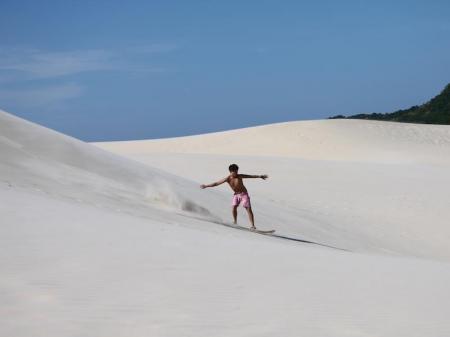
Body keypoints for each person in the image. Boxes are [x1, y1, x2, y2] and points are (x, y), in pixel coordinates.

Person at [200, 164, 268, 229]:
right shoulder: (227, 178)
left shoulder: (240, 176)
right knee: (234, 207)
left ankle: (253, 225)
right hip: (236, 194)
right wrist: (206, 186)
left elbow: (250, 176)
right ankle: (235, 222)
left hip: (244, 194)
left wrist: (260, 176)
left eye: (237, 171)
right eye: (234, 171)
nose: (236, 173)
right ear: (230, 172)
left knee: (248, 208)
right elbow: (216, 183)